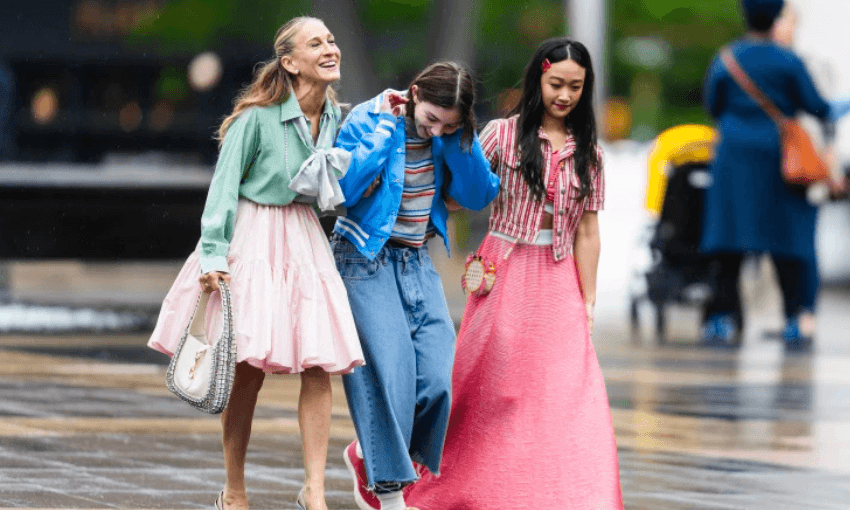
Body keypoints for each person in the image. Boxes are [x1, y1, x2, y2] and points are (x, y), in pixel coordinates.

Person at [147, 17, 364, 510]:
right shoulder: (256, 119)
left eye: (331, 39)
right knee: (247, 370)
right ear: (290, 62)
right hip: (254, 238)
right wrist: (213, 256)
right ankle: (236, 488)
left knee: (319, 365)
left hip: (306, 240)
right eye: (316, 43)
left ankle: (314, 489)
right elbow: (222, 191)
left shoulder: (334, 117)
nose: (330, 48)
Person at [405, 38, 624, 510]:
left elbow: (588, 232)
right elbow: (460, 190)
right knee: (489, 383)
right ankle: (438, 479)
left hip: (560, 274)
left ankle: (569, 493)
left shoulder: (591, 153)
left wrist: (587, 300)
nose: (564, 96)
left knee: (569, 388)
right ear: (538, 80)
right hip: (504, 268)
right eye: (556, 84)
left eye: (576, 87)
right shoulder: (502, 136)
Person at [330, 62, 500, 510]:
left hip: (416, 260)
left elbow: (480, 195)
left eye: (449, 124)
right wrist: (386, 132)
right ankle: (388, 492)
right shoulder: (369, 118)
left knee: (441, 379)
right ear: (415, 93)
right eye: (431, 119)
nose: (436, 130)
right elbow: (342, 190)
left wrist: (461, 142)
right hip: (364, 258)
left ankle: (369, 452)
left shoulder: (450, 138)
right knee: (392, 374)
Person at [699, 0, 849, 348]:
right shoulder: (788, 60)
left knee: (728, 240)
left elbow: (713, 105)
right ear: (777, 17)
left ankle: (721, 319)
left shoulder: (727, 58)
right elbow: (818, 107)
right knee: (788, 240)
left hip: (733, 158)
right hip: (777, 160)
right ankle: (796, 318)